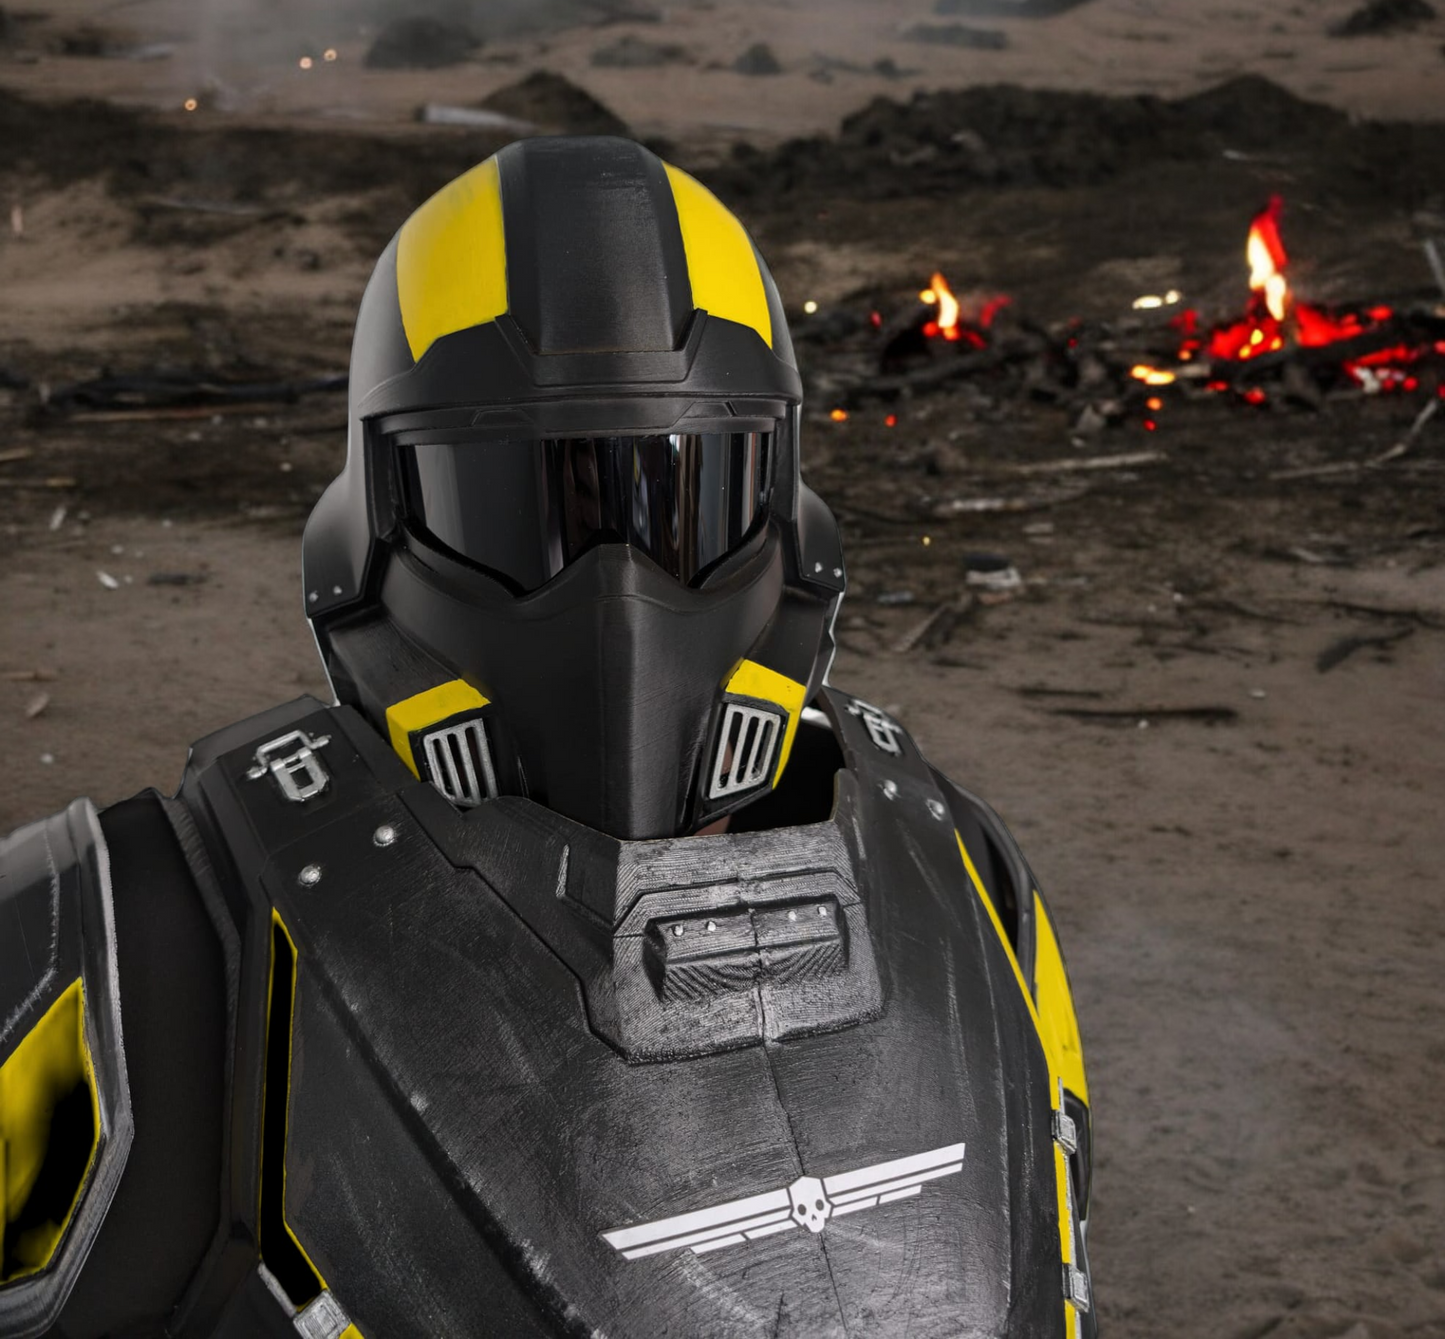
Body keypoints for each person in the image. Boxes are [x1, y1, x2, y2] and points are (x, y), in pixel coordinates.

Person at [0, 137, 1095, 1338]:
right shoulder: (113, 929)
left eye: (675, 502)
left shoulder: (963, 865)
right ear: (379, 525)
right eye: (527, 512)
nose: (617, 599)